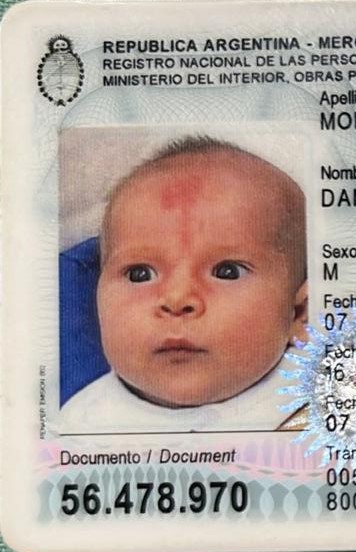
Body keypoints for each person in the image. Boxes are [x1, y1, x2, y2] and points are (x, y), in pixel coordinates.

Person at [60, 136, 309, 432]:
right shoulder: (81, 421)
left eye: (226, 271)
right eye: (140, 274)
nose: (177, 299)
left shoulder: (316, 401)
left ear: (298, 314)